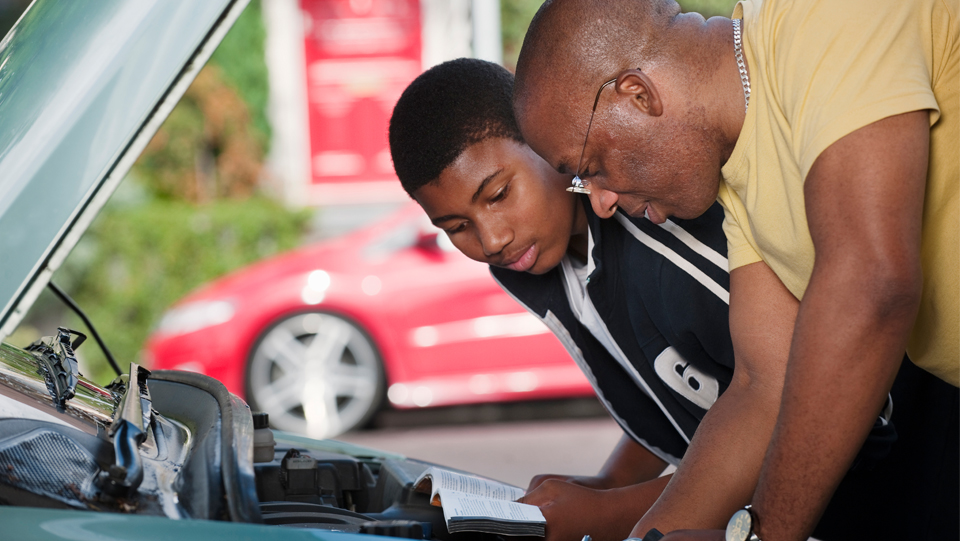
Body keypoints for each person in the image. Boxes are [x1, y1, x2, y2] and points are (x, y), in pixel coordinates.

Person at [388, 57, 957, 541]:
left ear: (546, 141)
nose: (491, 239)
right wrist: (611, 482)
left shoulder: (664, 222)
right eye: (456, 226)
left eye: (499, 194)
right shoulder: (528, 260)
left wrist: (614, 512)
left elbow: (823, 413)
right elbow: (667, 386)